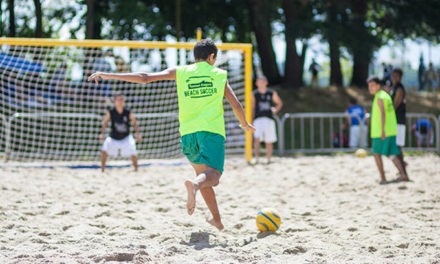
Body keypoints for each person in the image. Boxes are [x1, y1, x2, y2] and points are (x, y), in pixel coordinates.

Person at [89, 39, 256, 230]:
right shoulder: (218, 75)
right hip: (211, 132)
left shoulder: (181, 72)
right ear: (211, 57)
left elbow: (145, 77)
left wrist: (108, 75)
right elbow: (236, 104)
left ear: (195, 57)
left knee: (203, 176)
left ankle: (216, 219)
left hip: (187, 135)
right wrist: (244, 124)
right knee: (213, 176)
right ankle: (193, 186)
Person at [367, 76, 409, 184]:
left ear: (378, 86)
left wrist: (382, 131)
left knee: (376, 154)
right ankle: (403, 174)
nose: (370, 88)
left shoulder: (380, 97)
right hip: (390, 130)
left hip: (381, 131)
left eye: (372, 85)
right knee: (392, 153)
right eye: (369, 86)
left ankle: (383, 177)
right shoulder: (386, 95)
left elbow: (382, 113)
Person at [99, 94, 142, 172]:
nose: (120, 101)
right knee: (104, 150)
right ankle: (102, 170)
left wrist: (138, 134)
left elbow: (135, 122)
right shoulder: (111, 111)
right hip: (113, 137)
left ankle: (136, 169)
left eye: (121, 99)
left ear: (124, 101)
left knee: (133, 151)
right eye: (118, 100)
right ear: (115, 101)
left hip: (126, 137)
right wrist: (102, 134)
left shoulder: (127, 112)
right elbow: (105, 122)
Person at [251, 76, 283, 164]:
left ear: (266, 82)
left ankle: (268, 159)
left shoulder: (271, 93)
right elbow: (252, 107)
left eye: (262, 81)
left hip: (269, 118)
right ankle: (257, 158)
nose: (260, 83)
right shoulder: (254, 94)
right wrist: (251, 120)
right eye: (258, 82)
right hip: (258, 119)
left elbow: (279, 103)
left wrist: (275, 109)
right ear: (256, 83)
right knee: (257, 139)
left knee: (269, 140)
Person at [389, 68, 408, 175]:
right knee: (396, 146)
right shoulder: (394, 87)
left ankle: (403, 171)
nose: (394, 77)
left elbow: (395, 105)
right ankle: (402, 168)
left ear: (400, 77)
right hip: (396, 120)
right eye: (393, 75)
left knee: (398, 146)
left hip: (399, 120)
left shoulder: (399, 88)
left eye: (396, 75)